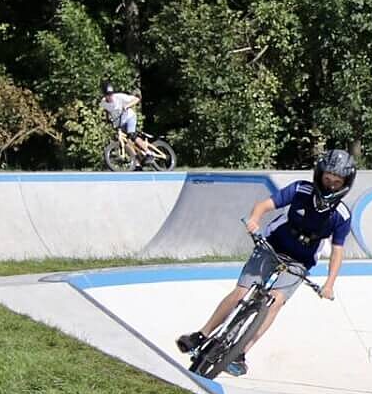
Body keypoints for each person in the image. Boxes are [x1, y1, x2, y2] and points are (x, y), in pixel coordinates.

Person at [174, 150, 357, 376]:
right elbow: (264, 205)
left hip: (301, 261)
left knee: (275, 302)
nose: (330, 184)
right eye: (327, 178)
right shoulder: (301, 189)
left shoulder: (341, 215)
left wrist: (329, 284)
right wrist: (254, 220)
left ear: (345, 183)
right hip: (273, 245)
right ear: (319, 174)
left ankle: (241, 353)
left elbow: (337, 251)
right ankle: (201, 334)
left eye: (336, 181)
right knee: (241, 292)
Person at [100, 83, 164, 160]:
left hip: (129, 118)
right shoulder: (103, 102)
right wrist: (107, 119)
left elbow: (137, 99)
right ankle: (137, 163)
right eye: (108, 94)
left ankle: (149, 152)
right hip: (119, 122)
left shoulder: (119, 97)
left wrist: (127, 105)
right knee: (126, 142)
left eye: (111, 94)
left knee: (132, 136)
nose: (110, 96)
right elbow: (107, 109)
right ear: (104, 95)